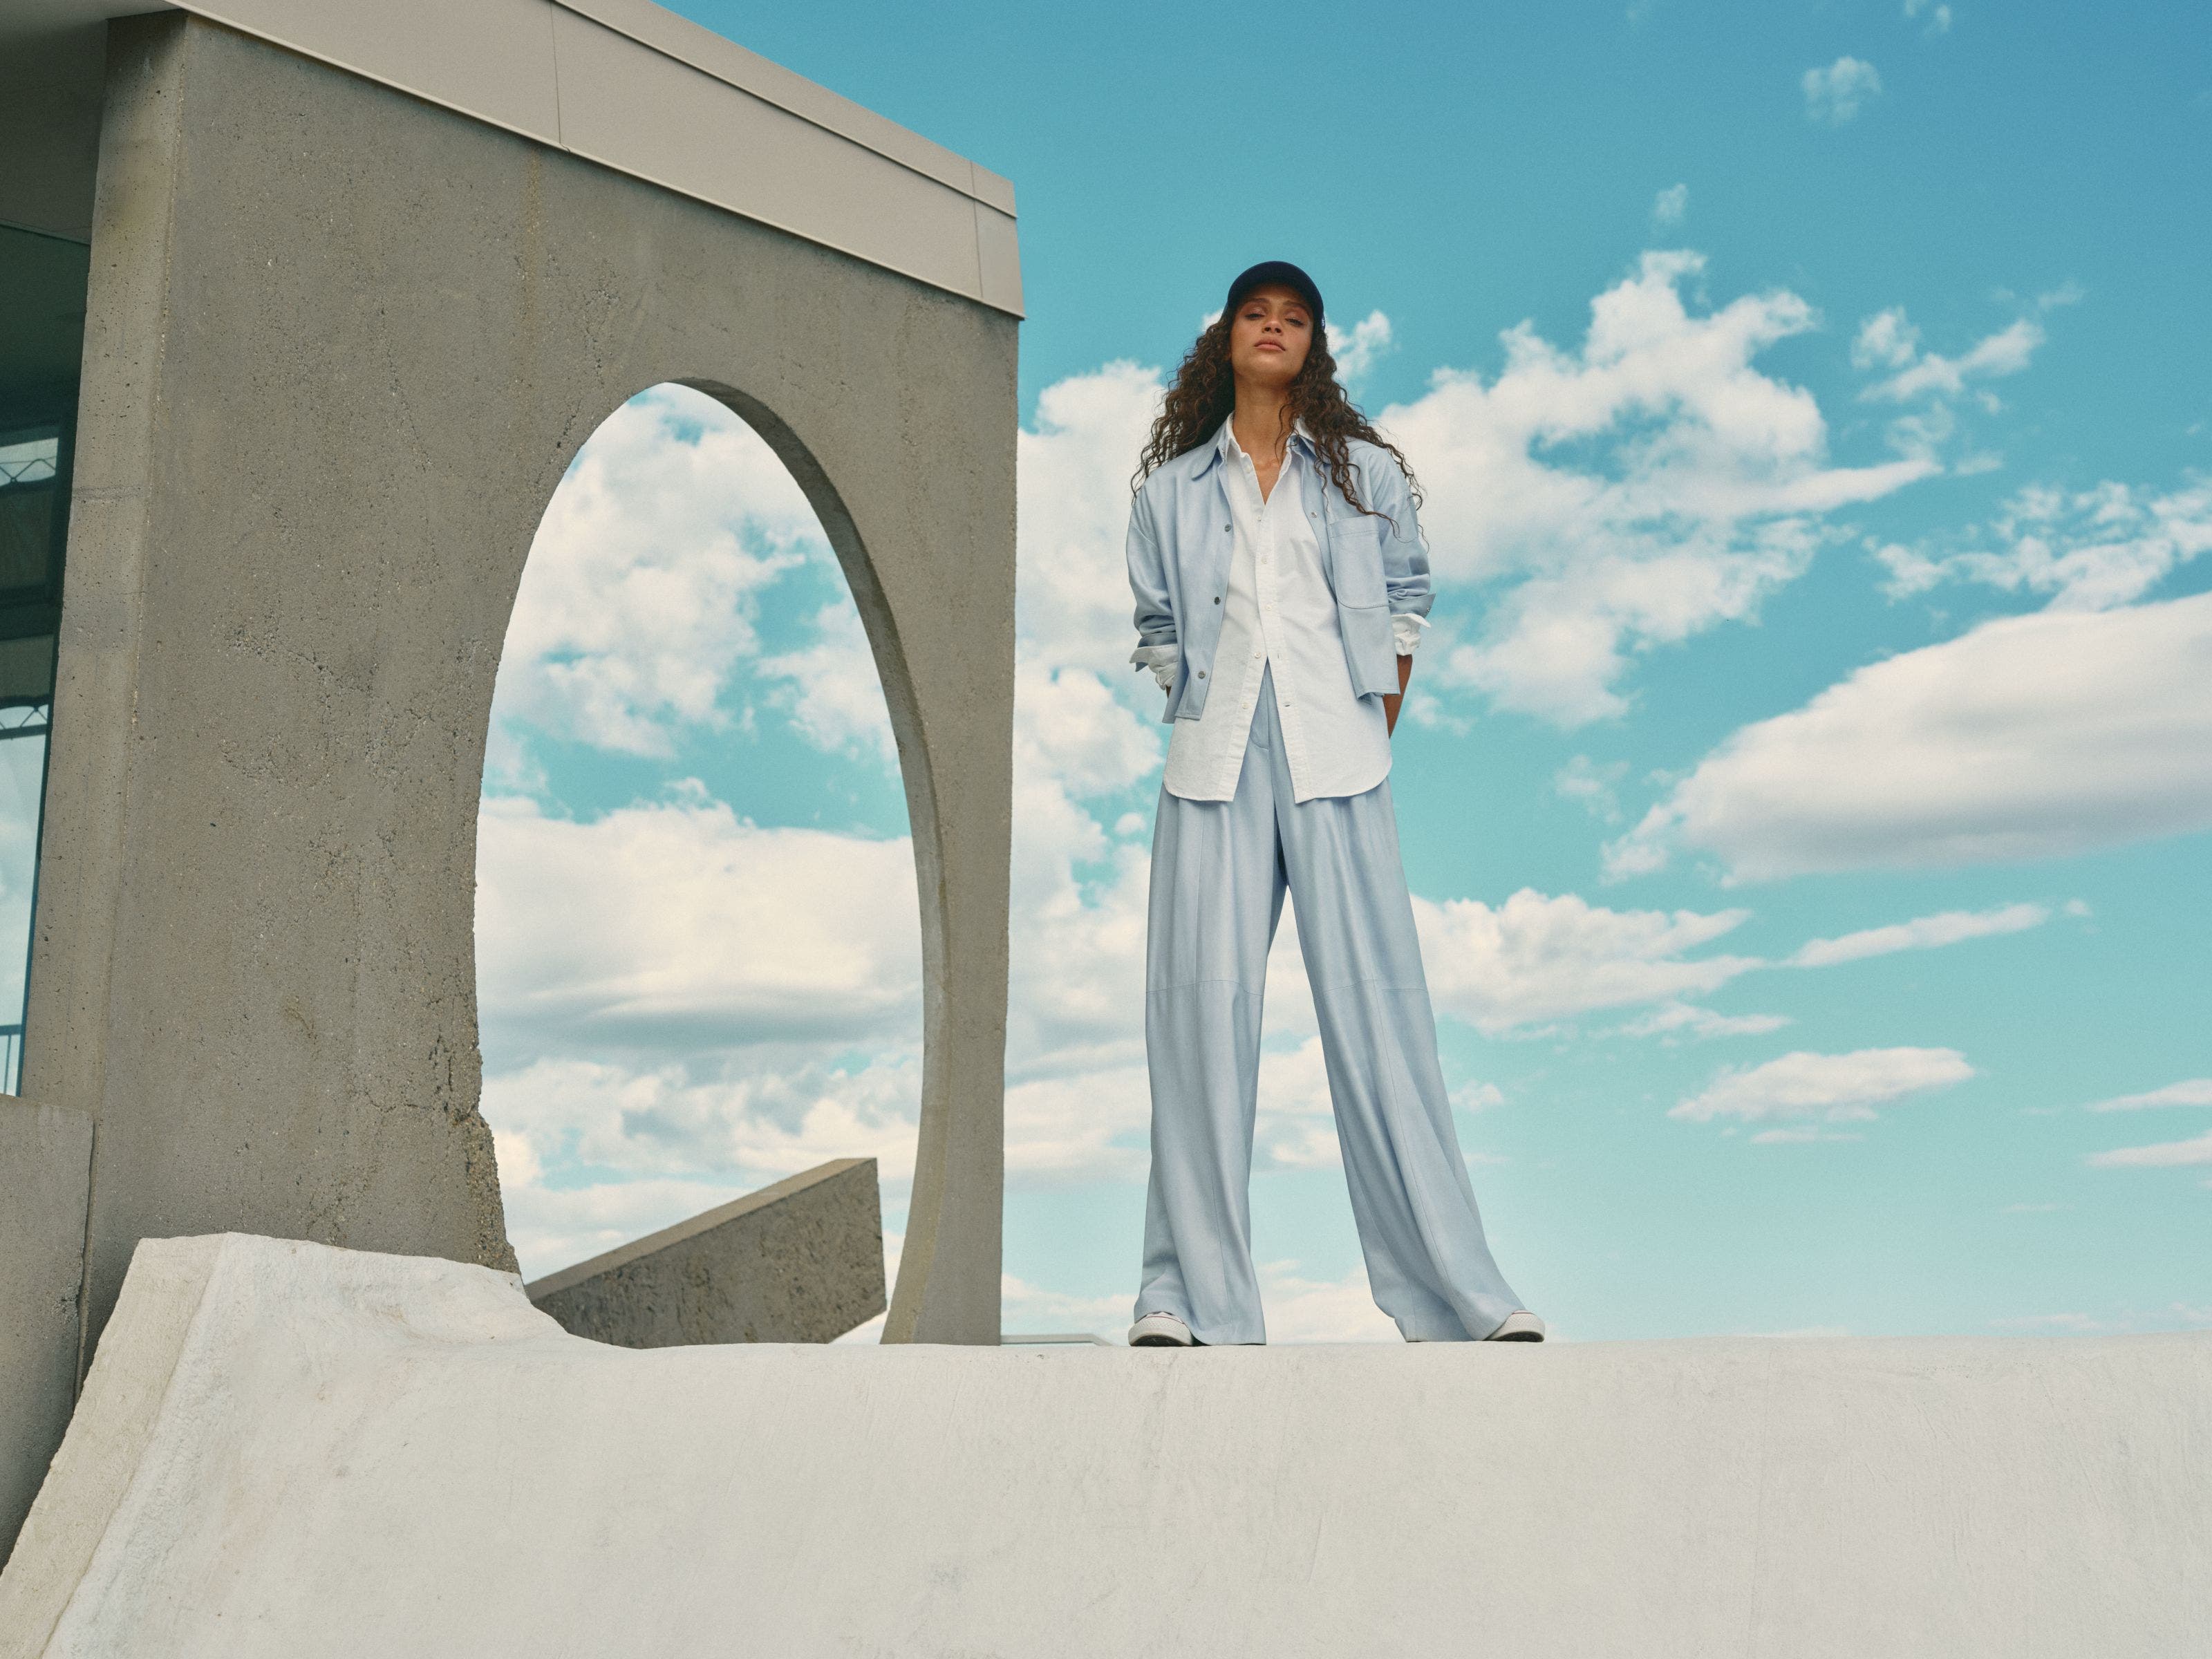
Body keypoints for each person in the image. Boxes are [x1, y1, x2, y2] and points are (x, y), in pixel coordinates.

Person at [1123, 260, 1544, 1348]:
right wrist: (1199, 702)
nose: (1274, 330)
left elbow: (1407, 600)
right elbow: (1158, 623)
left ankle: (1462, 1297)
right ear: (1227, 339)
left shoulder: (1360, 473)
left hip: (1339, 752)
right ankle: (1184, 1300)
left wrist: (1376, 718)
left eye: (1293, 319)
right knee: (1198, 1022)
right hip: (1211, 761)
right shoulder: (1170, 490)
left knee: (1382, 1016)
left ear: (1315, 343)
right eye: (1256, 316)